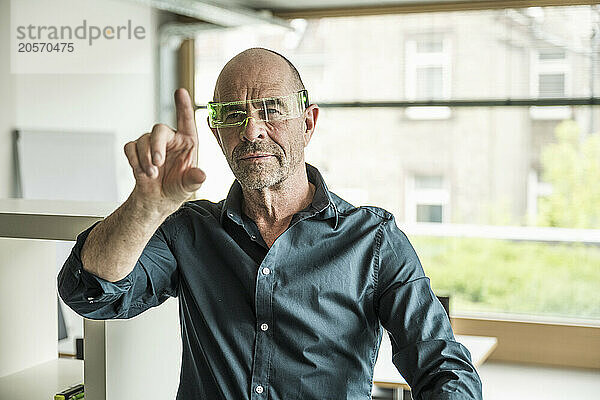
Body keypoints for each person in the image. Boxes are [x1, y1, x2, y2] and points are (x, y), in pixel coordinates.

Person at [58, 47, 482, 399]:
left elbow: (442, 367)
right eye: (232, 115)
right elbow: (90, 294)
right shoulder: (189, 229)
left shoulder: (373, 241)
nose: (252, 130)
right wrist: (146, 206)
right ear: (216, 130)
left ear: (308, 122)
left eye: (271, 109)